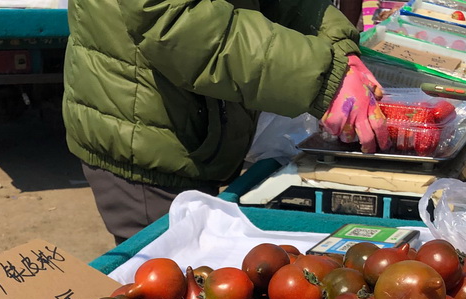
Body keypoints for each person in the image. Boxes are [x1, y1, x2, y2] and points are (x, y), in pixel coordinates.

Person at [62, 0, 389, 245]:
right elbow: (173, 20)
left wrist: (339, 49)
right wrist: (324, 79)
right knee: (167, 285)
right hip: (144, 132)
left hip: (197, 124)